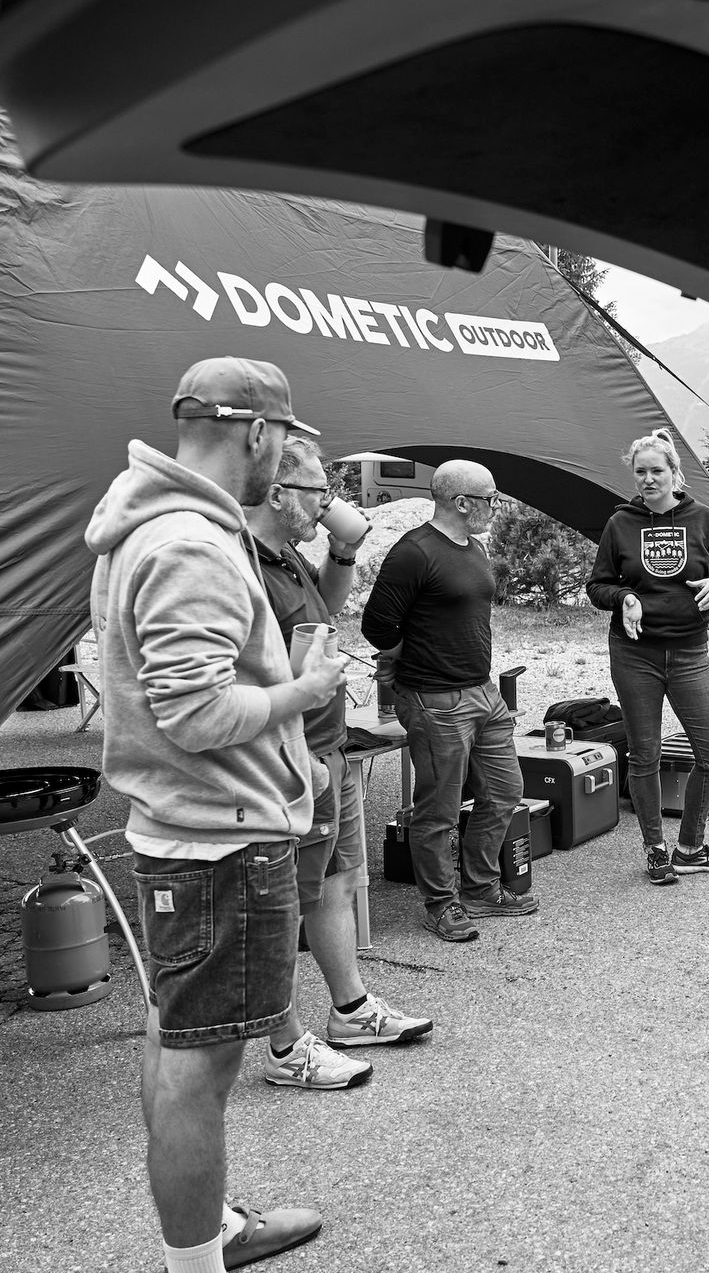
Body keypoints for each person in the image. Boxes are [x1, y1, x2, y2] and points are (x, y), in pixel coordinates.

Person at [85, 357, 336, 1272]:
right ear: (258, 433)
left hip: (185, 830)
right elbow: (194, 713)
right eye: (286, 439)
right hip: (221, 844)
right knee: (203, 1068)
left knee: (176, 1039)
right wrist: (303, 692)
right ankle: (195, 1259)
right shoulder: (190, 542)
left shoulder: (144, 517)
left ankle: (203, 1233)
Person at [245, 435, 434, 1089]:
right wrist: (300, 755)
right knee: (281, 904)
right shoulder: (241, 562)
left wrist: (345, 550)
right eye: (317, 492)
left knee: (334, 881)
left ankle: (350, 1011)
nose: (328, 503)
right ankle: (284, 1046)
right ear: (276, 493)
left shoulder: (285, 553)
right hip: (289, 757)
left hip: (327, 745)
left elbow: (324, 609)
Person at [360, 459, 533, 942]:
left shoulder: (474, 547)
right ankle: (440, 903)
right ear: (461, 502)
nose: (496, 507)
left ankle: (480, 889)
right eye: (490, 499)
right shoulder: (413, 552)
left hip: (483, 693)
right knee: (438, 809)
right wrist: (407, 658)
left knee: (504, 791)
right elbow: (377, 626)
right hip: (435, 700)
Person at [586, 429, 709, 885]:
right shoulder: (620, 524)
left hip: (690, 652)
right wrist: (624, 597)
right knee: (644, 754)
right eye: (641, 472)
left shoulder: (704, 519)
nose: (649, 479)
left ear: (675, 473)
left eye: (657, 470)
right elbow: (597, 586)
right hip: (635, 654)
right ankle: (655, 849)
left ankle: (690, 847)